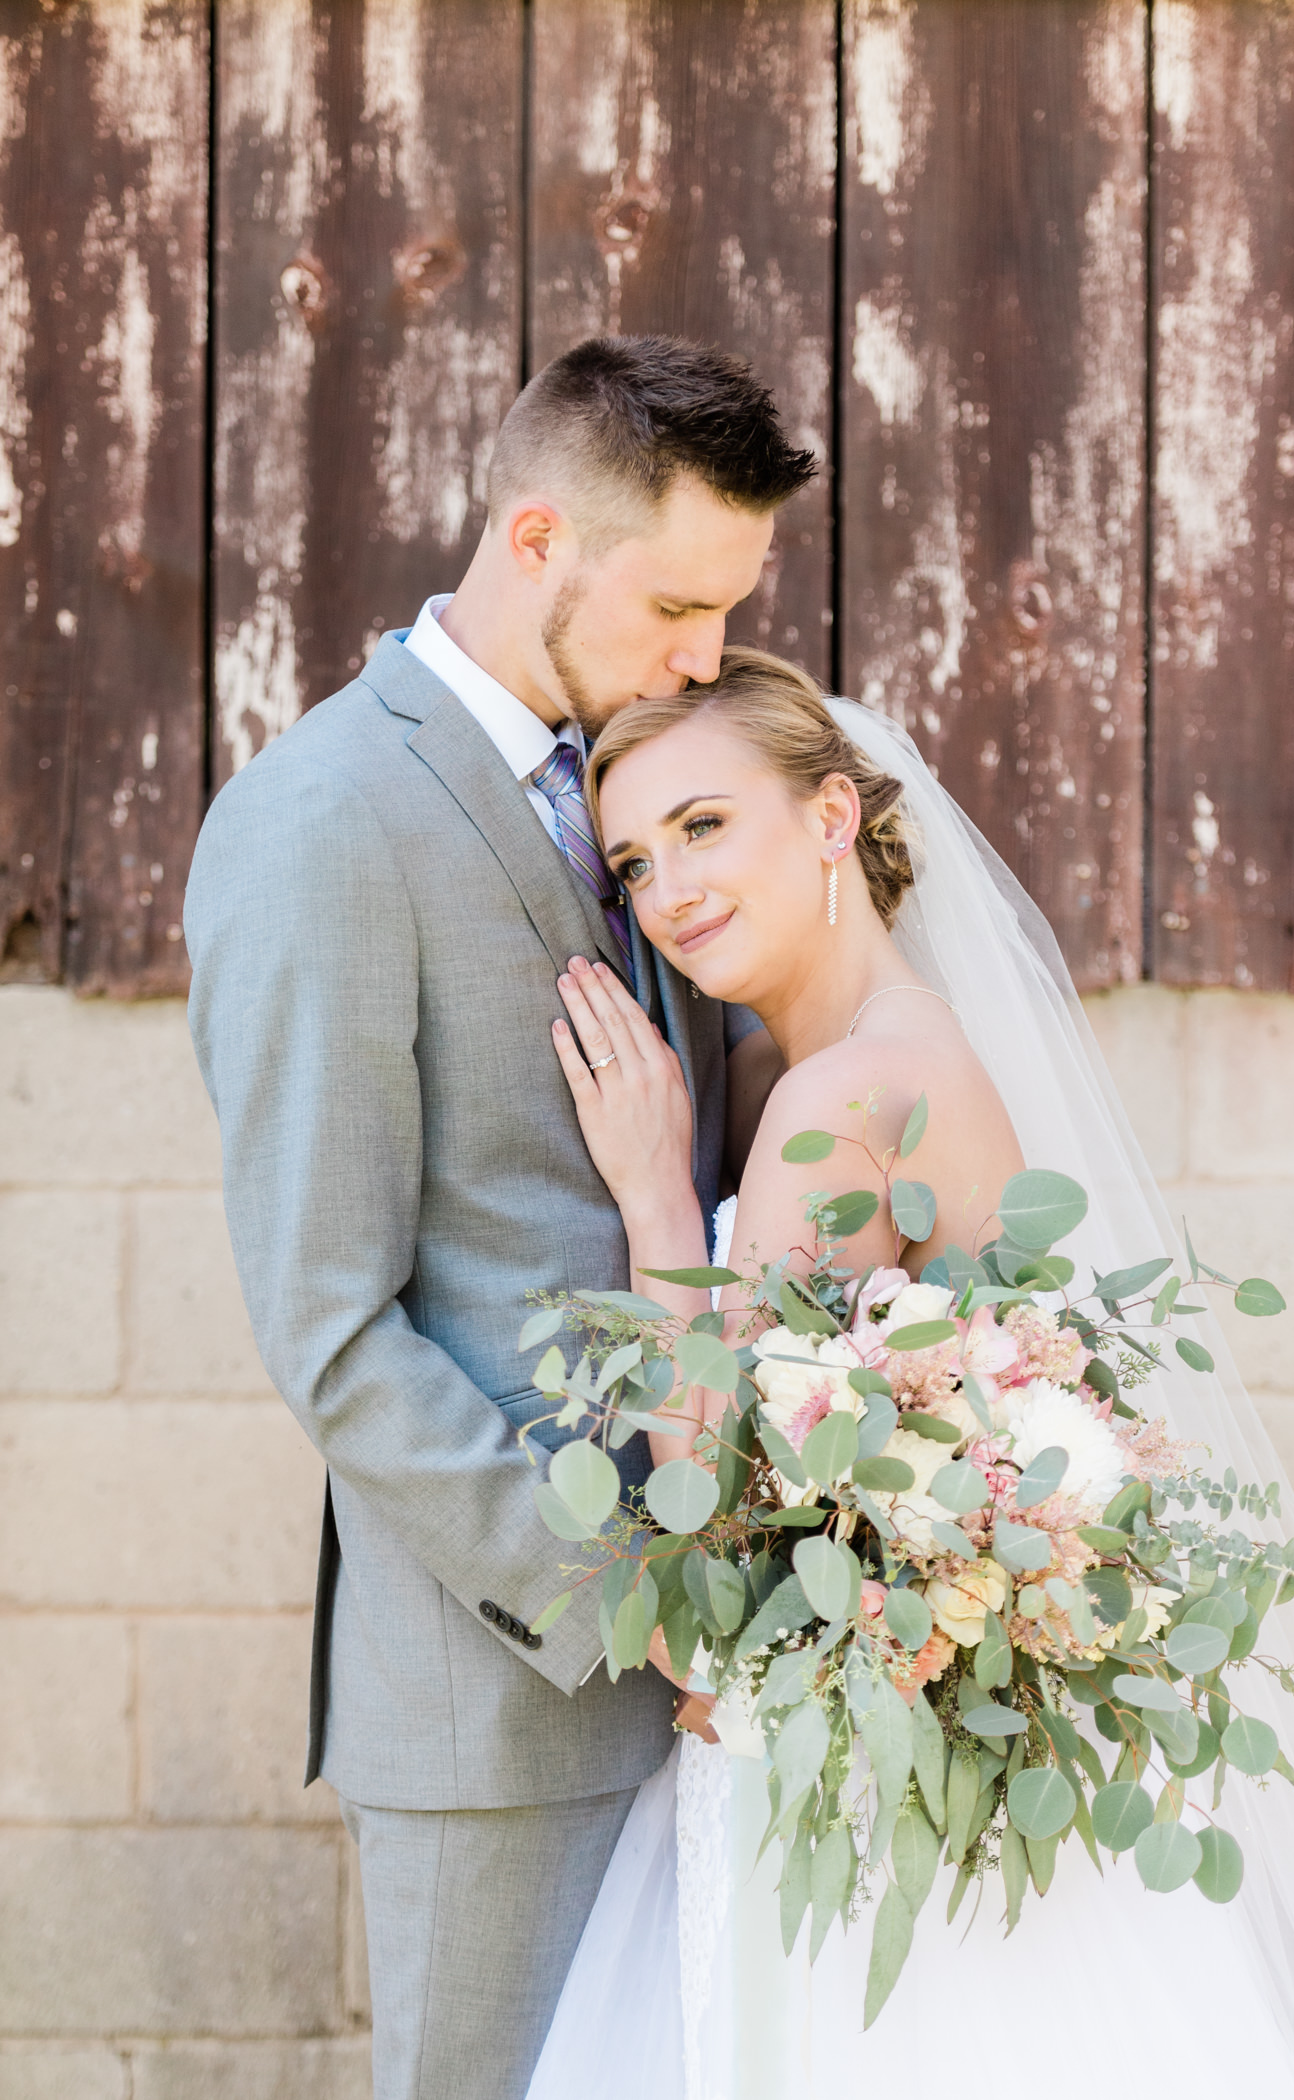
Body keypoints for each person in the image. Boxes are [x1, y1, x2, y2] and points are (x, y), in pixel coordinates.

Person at [525, 647, 1294, 2099]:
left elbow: (698, 1533)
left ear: (823, 821)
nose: (665, 889)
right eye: (630, 860)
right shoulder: (900, 1049)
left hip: (859, 1812)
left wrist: (655, 1205)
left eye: (702, 827)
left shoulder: (839, 1096)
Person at [183, 339, 815, 2100]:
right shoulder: (318, 823)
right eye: (679, 606)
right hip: (508, 1704)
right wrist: (626, 1595)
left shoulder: (636, 787)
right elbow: (331, 1329)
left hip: (722, 1686)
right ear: (538, 536)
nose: (706, 656)